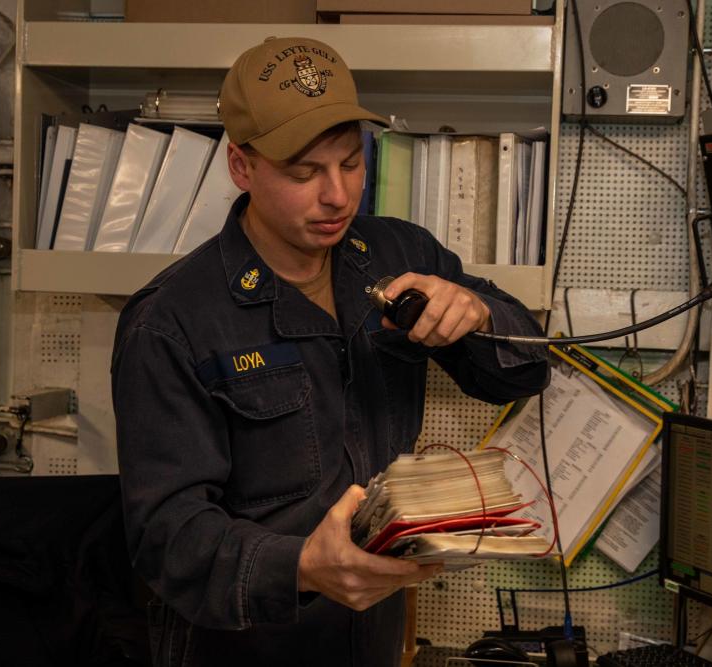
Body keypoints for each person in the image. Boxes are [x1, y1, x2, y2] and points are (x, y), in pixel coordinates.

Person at [111, 36, 550, 667]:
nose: (338, 196)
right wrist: (302, 566)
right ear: (241, 167)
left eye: (350, 162)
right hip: (249, 644)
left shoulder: (401, 253)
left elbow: (528, 369)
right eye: (303, 173)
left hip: (373, 634)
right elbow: (166, 538)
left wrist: (479, 314)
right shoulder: (171, 321)